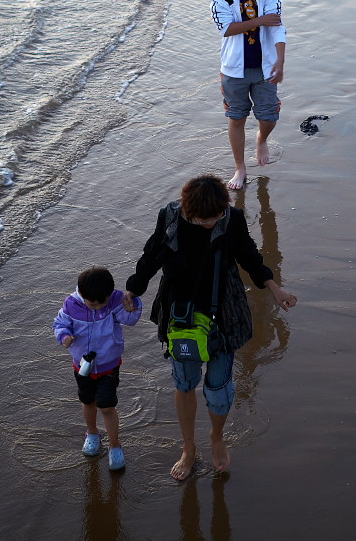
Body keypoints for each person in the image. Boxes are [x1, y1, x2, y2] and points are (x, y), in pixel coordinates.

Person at [122, 175, 297, 480]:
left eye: (216, 217)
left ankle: (217, 436)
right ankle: (188, 448)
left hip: (223, 314)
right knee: (185, 381)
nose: (211, 223)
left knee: (218, 387)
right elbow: (152, 255)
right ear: (188, 212)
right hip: (181, 314)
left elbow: (249, 255)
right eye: (204, 219)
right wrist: (133, 290)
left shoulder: (231, 219)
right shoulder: (170, 216)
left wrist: (273, 287)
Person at [210, 0, 287, 190]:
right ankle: (240, 168)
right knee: (236, 118)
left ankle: (262, 139)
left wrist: (280, 60)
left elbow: (276, 26)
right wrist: (259, 20)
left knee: (269, 116)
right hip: (234, 69)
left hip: (265, 66)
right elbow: (226, 29)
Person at [53, 266, 142, 470]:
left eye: (101, 302)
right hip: (82, 366)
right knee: (88, 401)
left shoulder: (114, 301)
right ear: (82, 294)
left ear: (109, 295)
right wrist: (64, 336)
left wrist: (133, 304)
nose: (96, 307)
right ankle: (92, 433)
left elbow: (131, 320)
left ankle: (115, 446)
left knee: (107, 405)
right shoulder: (71, 304)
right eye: (91, 303)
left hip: (108, 366)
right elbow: (59, 324)